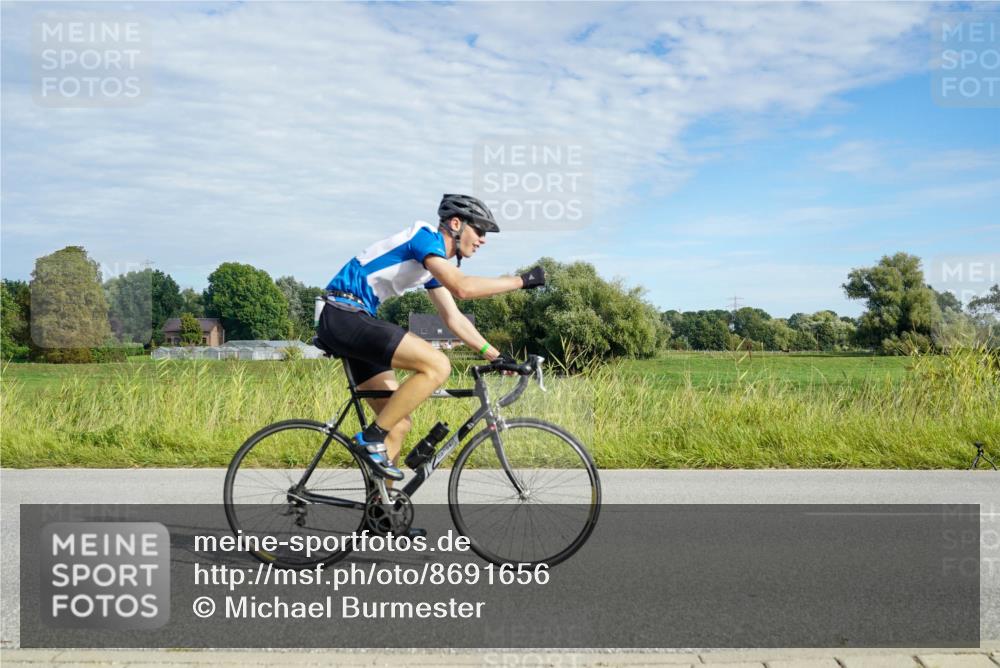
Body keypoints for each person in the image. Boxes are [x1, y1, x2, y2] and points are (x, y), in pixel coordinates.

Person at [317, 194, 546, 482]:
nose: (483, 240)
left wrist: (496, 355)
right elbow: (462, 287)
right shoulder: (424, 237)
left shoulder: (430, 265)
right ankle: (369, 439)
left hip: (354, 318)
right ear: (455, 224)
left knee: (397, 425)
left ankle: (381, 518)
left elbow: (453, 318)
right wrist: (521, 281)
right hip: (343, 313)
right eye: (480, 231)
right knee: (438, 365)